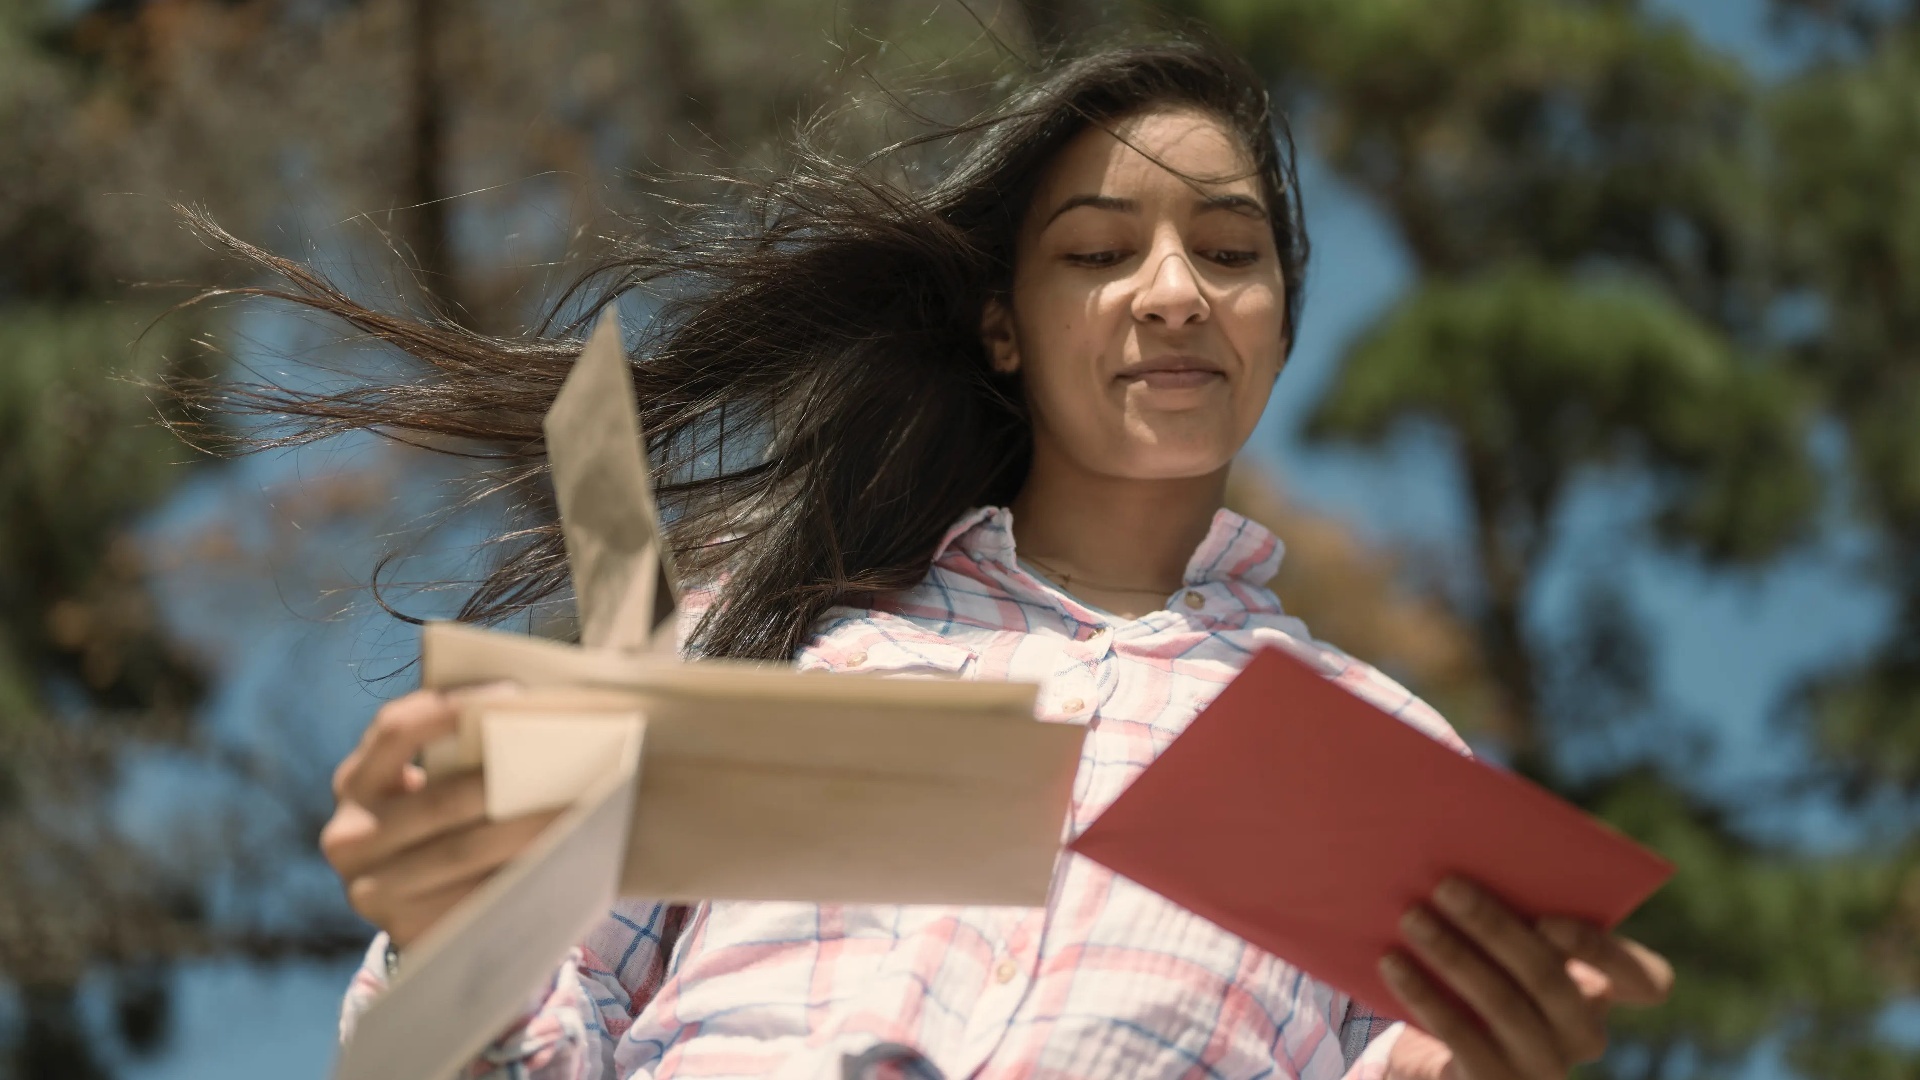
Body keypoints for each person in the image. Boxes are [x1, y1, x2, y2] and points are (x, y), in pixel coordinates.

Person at [210, 32, 1672, 1080]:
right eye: (1100, 252)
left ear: (1279, 323)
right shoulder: (763, 637)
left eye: (1230, 252)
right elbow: (508, 1038)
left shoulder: (1381, 752)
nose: (1174, 293)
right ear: (1001, 325)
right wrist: (445, 937)